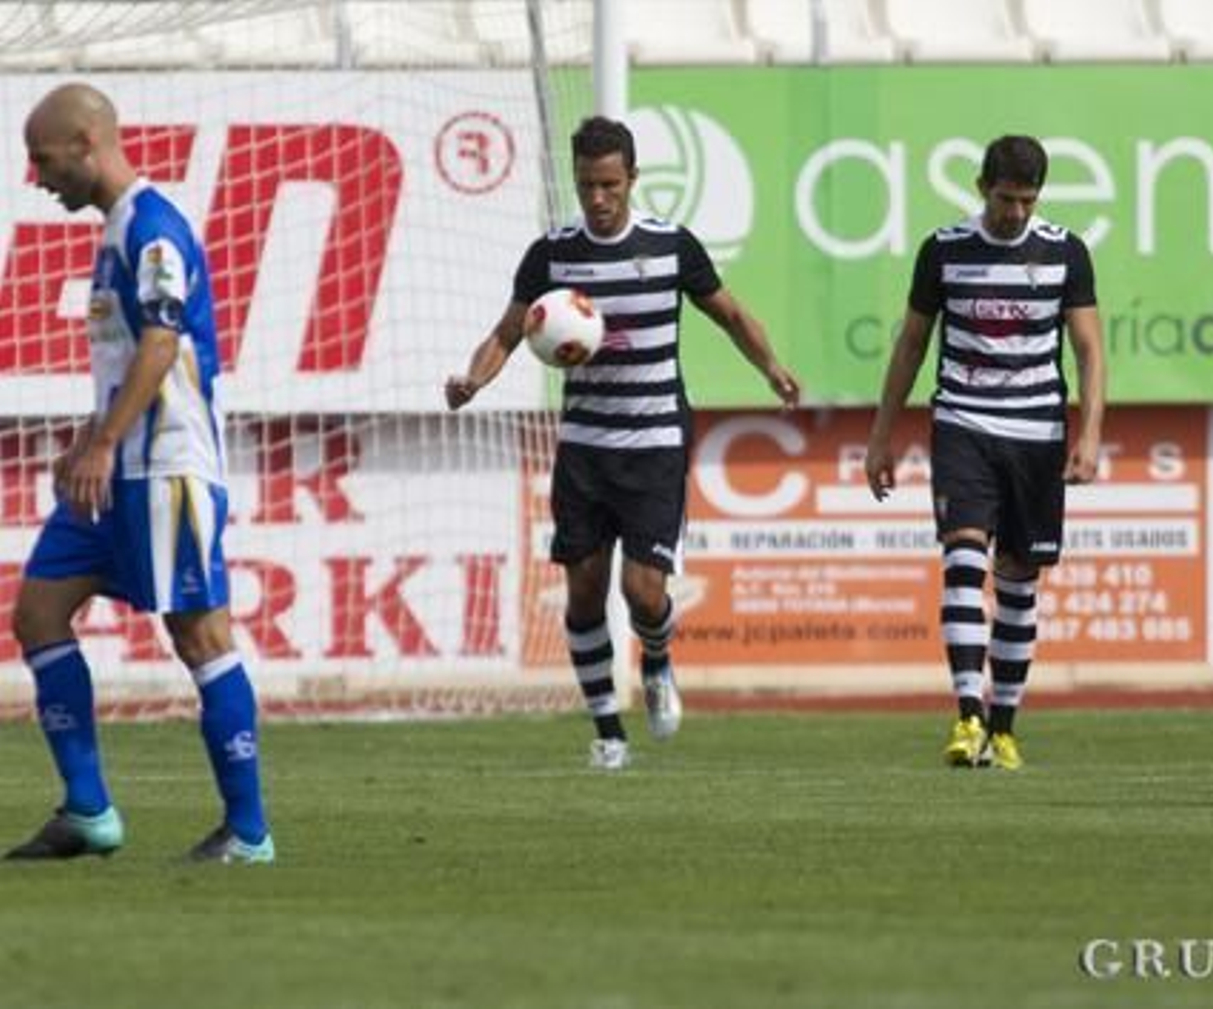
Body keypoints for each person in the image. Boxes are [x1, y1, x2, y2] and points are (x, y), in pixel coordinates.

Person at [446, 116, 800, 770]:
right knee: (583, 592)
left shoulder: (670, 246)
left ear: (633, 179)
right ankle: (608, 730)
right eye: (587, 186)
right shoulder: (551, 255)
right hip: (584, 444)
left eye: (610, 184)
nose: (599, 198)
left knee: (642, 592)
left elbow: (730, 313)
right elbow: (505, 334)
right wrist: (473, 378)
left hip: (656, 437)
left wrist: (770, 366)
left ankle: (658, 661)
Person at [7, 84, 272, 862]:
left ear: (88, 144)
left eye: (44, 159)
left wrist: (103, 442)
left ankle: (249, 830)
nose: (36, 177)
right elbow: (133, 355)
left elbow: (161, 345)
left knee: (199, 632)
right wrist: (92, 435)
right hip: (115, 468)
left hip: (165, 470)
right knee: (38, 612)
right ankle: (89, 812)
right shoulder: (118, 231)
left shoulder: (153, 230)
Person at [865, 135, 1106, 771]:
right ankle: (968, 714)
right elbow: (912, 345)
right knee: (964, 557)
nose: (1017, 212)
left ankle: (1004, 727)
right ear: (981, 188)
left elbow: (1088, 349)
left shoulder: (1064, 252)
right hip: (964, 422)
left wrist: (1091, 433)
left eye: (1028, 200)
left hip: (1037, 433)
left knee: (1020, 582)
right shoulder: (945, 251)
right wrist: (881, 435)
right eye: (1006, 199)